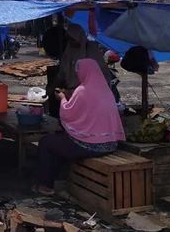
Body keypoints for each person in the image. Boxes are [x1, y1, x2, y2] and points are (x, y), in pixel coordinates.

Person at [34, 58, 126, 195]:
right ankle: (61, 179)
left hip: (91, 146)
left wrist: (62, 99)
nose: (78, 76)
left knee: (47, 143)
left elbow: (67, 114)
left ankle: (46, 186)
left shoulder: (83, 90)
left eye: (79, 72)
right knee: (60, 141)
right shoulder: (107, 91)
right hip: (111, 144)